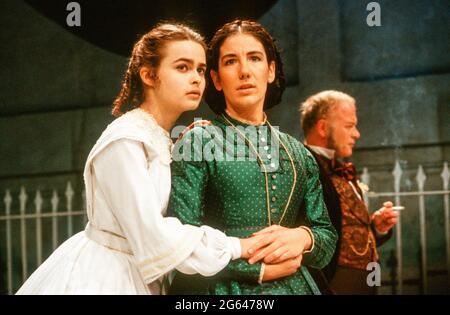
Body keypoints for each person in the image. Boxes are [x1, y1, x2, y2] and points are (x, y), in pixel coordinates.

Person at [16, 23, 263, 295]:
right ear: (148, 75)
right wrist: (238, 246)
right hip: (104, 278)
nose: (196, 78)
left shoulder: (162, 138)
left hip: (139, 275)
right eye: (182, 67)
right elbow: (153, 236)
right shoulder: (125, 140)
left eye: (201, 69)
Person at [167, 20, 337, 295]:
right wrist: (255, 270)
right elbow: (181, 239)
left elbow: (327, 238)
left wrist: (303, 237)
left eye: (255, 58)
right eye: (231, 61)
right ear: (217, 79)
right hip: (221, 290)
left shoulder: (298, 152)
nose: (245, 71)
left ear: (270, 71)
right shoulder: (198, 141)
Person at [299, 90, 399, 294]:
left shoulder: (342, 169)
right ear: (323, 127)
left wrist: (376, 227)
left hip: (368, 279)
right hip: (334, 284)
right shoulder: (301, 167)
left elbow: (347, 228)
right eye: (349, 126)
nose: (357, 134)